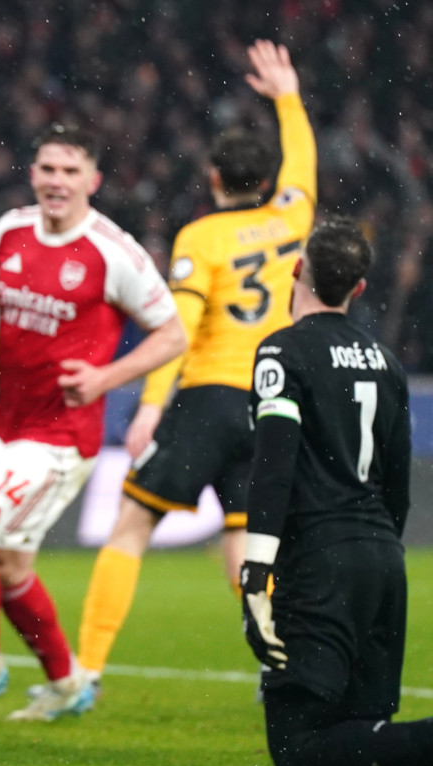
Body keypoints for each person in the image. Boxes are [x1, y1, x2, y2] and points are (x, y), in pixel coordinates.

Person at [74, 41, 318, 702]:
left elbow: (176, 331)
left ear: (214, 178)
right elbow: (304, 163)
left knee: (131, 525)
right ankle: (275, 668)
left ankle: (85, 671)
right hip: (271, 402)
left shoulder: (200, 237)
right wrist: (288, 98)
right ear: (266, 181)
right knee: (243, 539)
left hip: (209, 395)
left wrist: (151, 404)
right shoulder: (292, 215)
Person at [0, 123, 186, 723]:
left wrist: (105, 379)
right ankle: (67, 685)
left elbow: (173, 334)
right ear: (33, 174)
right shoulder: (10, 230)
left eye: (70, 171)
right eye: (47, 169)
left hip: (61, 438)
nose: (57, 181)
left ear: (93, 180)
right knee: (11, 565)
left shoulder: (113, 252)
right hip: (5, 427)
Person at [241, 217, 433, 766]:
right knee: (360, 734)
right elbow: (399, 486)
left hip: (322, 562)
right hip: (382, 562)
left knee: (297, 746)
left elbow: (273, 466)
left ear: (297, 270)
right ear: (360, 288)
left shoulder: (282, 352)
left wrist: (256, 573)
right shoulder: (387, 362)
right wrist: (373, 551)